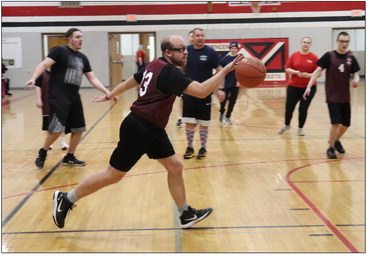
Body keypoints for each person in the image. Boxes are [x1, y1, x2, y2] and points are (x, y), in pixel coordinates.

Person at [52, 35, 244, 229]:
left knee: (175, 167)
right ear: (168, 53)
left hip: (153, 128)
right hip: (139, 128)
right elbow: (202, 91)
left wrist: (110, 94)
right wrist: (226, 70)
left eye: (185, 48)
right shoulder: (170, 73)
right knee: (113, 174)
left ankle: (185, 214)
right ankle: (66, 198)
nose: (185, 52)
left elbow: (128, 83)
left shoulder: (155, 64)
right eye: (180, 49)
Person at [26, 28, 114, 169]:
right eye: (78, 37)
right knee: (56, 129)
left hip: (74, 97)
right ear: (70, 39)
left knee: (78, 128)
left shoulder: (82, 58)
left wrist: (108, 92)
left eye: (82, 37)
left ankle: (70, 156)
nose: (81, 39)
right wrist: (33, 78)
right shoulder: (59, 51)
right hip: (59, 95)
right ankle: (43, 151)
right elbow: (44, 64)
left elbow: (93, 78)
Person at [303, 31, 360, 159]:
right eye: (341, 41)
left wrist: (356, 79)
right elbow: (317, 71)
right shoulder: (329, 56)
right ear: (337, 41)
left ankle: (336, 140)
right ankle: (331, 147)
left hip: (345, 96)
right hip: (332, 96)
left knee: (346, 123)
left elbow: (356, 72)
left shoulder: (350, 58)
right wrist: (308, 87)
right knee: (336, 123)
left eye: (346, 41)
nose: (344, 44)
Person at [182, 28, 224, 159]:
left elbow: (219, 70)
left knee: (204, 123)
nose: (200, 38)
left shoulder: (210, 52)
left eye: (202, 35)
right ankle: (190, 146)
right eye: (197, 35)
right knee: (189, 121)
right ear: (192, 37)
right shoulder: (186, 51)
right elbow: (179, 68)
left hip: (205, 92)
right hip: (188, 91)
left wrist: (219, 88)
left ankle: (203, 148)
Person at [278, 37, 319, 136]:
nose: (306, 44)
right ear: (300, 43)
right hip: (293, 87)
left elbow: (319, 73)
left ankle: (300, 128)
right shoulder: (294, 55)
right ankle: (287, 125)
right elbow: (287, 69)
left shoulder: (314, 58)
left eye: (308, 43)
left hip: (309, 87)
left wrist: (309, 75)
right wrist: (296, 72)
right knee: (289, 108)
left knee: (303, 108)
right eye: (304, 42)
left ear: (310, 45)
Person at [34, 68, 69, 150]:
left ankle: (63, 141)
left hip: (59, 101)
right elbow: (37, 86)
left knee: (60, 122)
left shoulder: (60, 72)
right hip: (46, 101)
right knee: (48, 123)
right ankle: (49, 142)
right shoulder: (42, 74)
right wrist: (38, 100)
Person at [219, 41, 241, 125]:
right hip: (226, 82)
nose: (233, 49)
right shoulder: (225, 59)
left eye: (235, 48)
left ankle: (227, 117)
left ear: (237, 49)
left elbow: (243, 71)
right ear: (229, 49)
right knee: (223, 100)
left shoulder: (240, 58)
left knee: (232, 101)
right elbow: (221, 71)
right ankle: (221, 112)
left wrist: (239, 81)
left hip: (236, 83)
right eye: (232, 48)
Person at [176, 30, 194, 128]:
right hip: (186, 79)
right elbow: (179, 65)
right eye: (191, 36)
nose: (192, 38)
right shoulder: (185, 51)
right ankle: (180, 117)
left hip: (198, 81)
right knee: (182, 99)